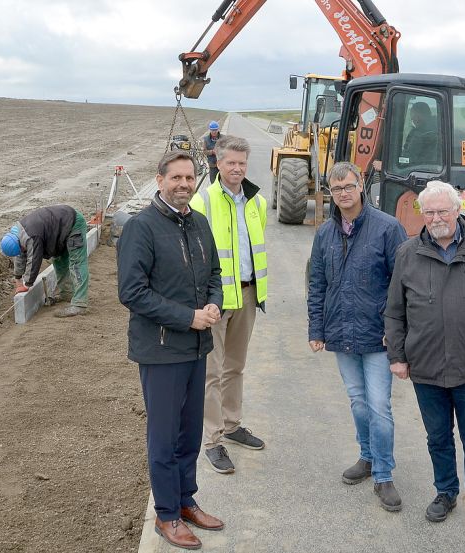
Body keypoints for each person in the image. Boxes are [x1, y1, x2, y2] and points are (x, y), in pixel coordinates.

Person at [385, 180, 465, 542]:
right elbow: (394, 312)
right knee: (438, 437)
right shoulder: (408, 254)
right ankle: (445, 492)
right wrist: (398, 355)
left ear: (458, 210)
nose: (436, 217)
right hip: (426, 367)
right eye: (429, 212)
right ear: (422, 215)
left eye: (443, 210)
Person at [117, 149, 225, 550]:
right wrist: (187, 317)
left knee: (189, 433)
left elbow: (214, 271)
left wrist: (213, 303)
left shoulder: (198, 223)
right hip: (161, 351)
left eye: (189, 178)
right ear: (160, 180)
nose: (183, 184)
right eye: (176, 178)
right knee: (163, 438)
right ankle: (165, 514)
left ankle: (185, 501)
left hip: (196, 348)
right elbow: (131, 292)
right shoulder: (141, 228)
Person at [307, 162, 408, 511]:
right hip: (340, 333)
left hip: (378, 336)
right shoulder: (324, 234)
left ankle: (383, 475)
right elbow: (317, 284)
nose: (343, 194)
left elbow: (402, 285)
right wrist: (316, 330)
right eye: (336, 190)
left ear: (361, 184)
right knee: (358, 401)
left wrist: (395, 333)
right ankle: (367, 457)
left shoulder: (388, 229)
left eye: (348, 186)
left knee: (379, 406)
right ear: (330, 193)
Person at [190, 135, 269, 474]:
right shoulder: (203, 201)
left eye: (242, 163)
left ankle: (233, 424)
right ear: (218, 164)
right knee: (211, 372)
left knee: (235, 366)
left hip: (249, 295)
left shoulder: (257, 203)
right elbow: (194, 254)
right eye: (230, 163)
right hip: (216, 300)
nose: (237, 169)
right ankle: (212, 440)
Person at [0, 205, 89, 318]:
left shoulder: (31, 236)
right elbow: (20, 255)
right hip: (58, 231)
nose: (22, 251)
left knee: (77, 263)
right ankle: (66, 293)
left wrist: (27, 284)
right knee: (59, 261)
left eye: (21, 249)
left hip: (73, 223)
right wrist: (17, 278)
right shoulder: (17, 235)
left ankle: (79, 304)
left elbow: (34, 260)